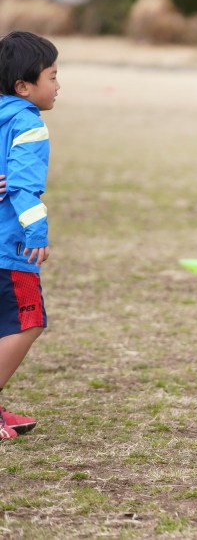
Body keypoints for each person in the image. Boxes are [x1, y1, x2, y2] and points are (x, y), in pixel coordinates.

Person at [0, 31, 59, 439]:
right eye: (52, 76)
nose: (58, 85)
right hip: (9, 247)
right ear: (24, 86)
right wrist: (36, 234)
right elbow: (22, 187)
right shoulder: (28, 123)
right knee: (29, 321)